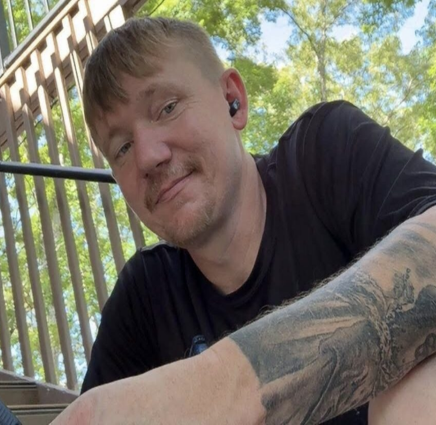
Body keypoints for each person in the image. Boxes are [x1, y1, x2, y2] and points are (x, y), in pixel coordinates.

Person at [52, 16, 436, 424]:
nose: (147, 157)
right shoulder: (143, 300)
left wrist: (227, 386)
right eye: (122, 148)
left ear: (231, 99)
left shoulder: (323, 154)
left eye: (167, 108)